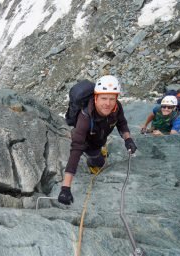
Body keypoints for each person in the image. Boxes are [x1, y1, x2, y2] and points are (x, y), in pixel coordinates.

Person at [57, 75, 137, 205]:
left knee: (100, 146)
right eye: (103, 98)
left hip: (101, 136)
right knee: (98, 161)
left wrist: (128, 139)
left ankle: (100, 150)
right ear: (96, 97)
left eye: (112, 99)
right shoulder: (85, 118)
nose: (108, 103)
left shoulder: (117, 108)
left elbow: (121, 123)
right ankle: (93, 160)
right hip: (88, 142)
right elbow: (76, 150)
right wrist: (65, 188)